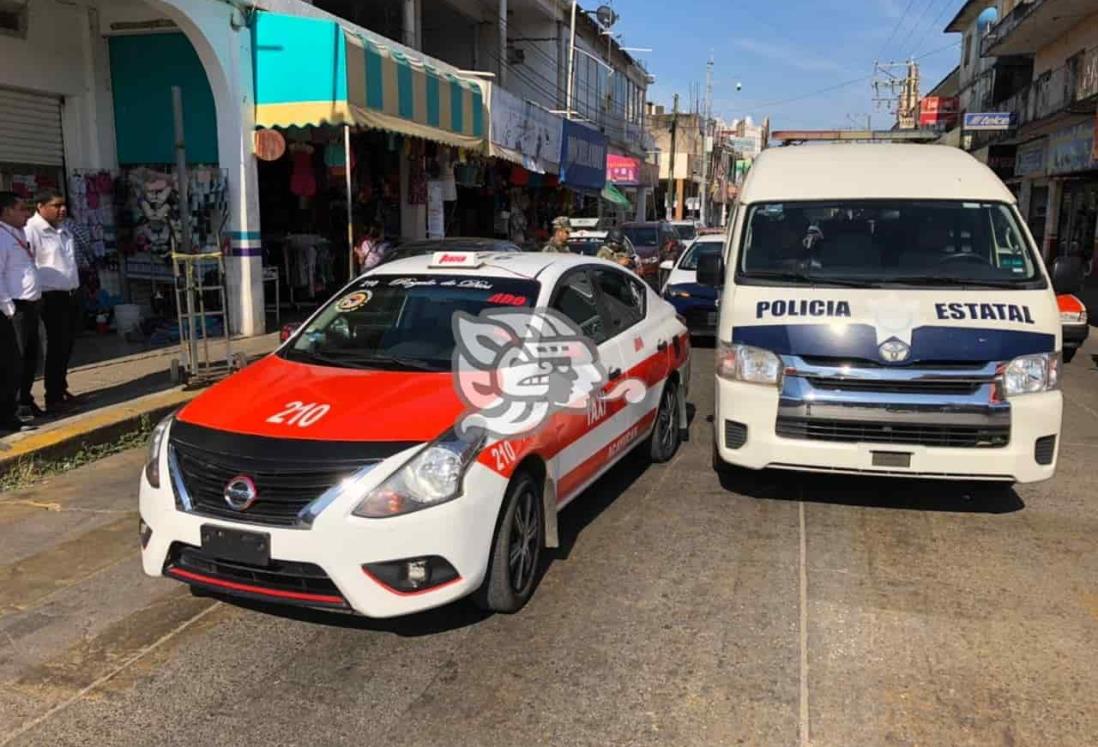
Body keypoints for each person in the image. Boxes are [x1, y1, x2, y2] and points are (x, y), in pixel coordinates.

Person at [25, 189, 82, 413]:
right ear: (40, 206)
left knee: (66, 345)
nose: (62, 209)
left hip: (70, 293)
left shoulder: (63, 230)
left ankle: (60, 388)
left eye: (63, 205)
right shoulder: (32, 231)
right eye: (56, 205)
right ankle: (53, 397)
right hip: (50, 297)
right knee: (54, 347)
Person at [0, 192, 40, 430]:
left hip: (29, 304)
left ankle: (22, 403)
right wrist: (9, 308)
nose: (27, 213)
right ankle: (8, 414)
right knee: (12, 362)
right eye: (22, 209)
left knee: (30, 358)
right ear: (6, 212)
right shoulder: (2, 237)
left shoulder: (18, 233)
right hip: (13, 308)